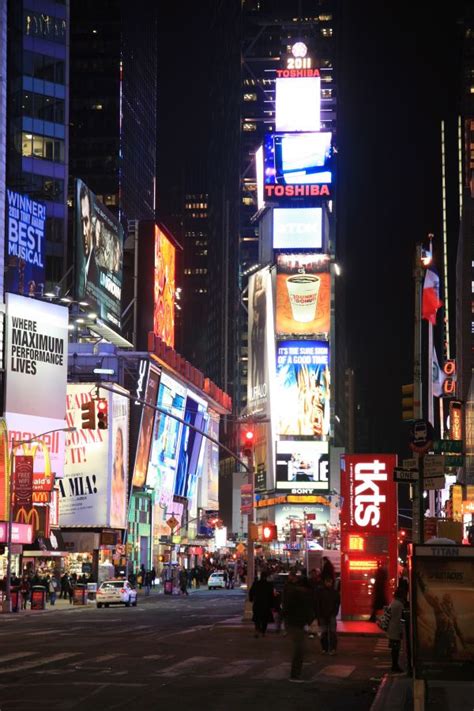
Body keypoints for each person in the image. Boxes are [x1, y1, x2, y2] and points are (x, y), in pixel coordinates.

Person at [282, 573, 315, 681]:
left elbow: (286, 607)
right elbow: (308, 610)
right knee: (300, 649)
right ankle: (295, 675)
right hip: (297, 623)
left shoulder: (293, 592)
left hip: (293, 622)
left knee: (300, 648)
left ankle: (296, 674)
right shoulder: (303, 594)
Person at [317, 576, 340, 654]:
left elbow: (319, 604)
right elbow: (337, 603)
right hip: (328, 615)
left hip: (326, 615)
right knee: (330, 632)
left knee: (326, 632)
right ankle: (330, 649)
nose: (328, 584)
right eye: (328, 582)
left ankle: (326, 649)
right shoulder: (334, 592)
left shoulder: (321, 592)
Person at [249, 571, 275, 638]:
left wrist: (251, 599)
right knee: (264, 619)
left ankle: (257, 630)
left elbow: (251, 592)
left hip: (257, 603)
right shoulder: (269, 584)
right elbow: (271, 595)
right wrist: (272, 605)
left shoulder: (256, 583)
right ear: (266, 577)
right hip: (266, 603)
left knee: (257, 618)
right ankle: (263, 632)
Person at [386, 587, 405, 673]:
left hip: (391, 628)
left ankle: (394, 665)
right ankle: (395, 665)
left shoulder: (393, 603)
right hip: (396, 629)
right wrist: (401, 631)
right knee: (396, 648)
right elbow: (400, 618)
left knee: (394, 648)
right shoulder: (400, 605)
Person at [110, 426, 126, 527]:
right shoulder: (111, 471)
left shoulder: (124, 477)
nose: (117, 445)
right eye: (116, 441)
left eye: (119, 442)